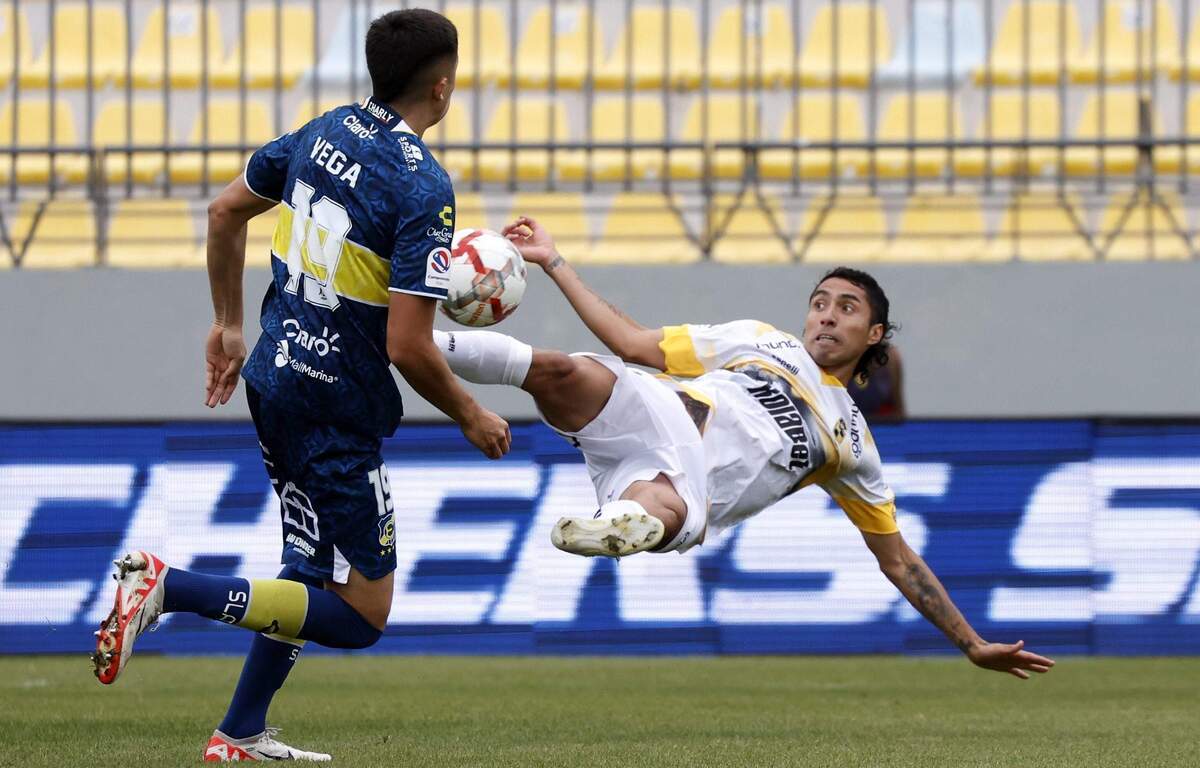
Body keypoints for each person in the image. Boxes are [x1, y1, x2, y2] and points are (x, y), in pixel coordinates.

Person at [91, 9, 509, 762]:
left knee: (310, 565)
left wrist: (227, 324)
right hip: (337, 404)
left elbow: (225, 211)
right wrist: (471, 413)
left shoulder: (325, 130)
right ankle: (167, 587)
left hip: (275, 380)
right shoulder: (424, 186)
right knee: (363, 614)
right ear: (442, 87)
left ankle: (239, 732)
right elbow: (408, 346)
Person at [430, 216, 1056, 680]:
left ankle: (620, 524)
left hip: (690, 481)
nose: (826, 316)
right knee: (562, 371)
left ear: (874, 333)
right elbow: (633, 342)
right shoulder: (762, 341)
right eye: (819, 304)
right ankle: (410, 344)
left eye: (846, 308)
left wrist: (971, 643)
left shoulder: (853, 445)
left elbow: (899, 561)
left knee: (660, 505)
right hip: (657, 408)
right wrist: (554, 261)